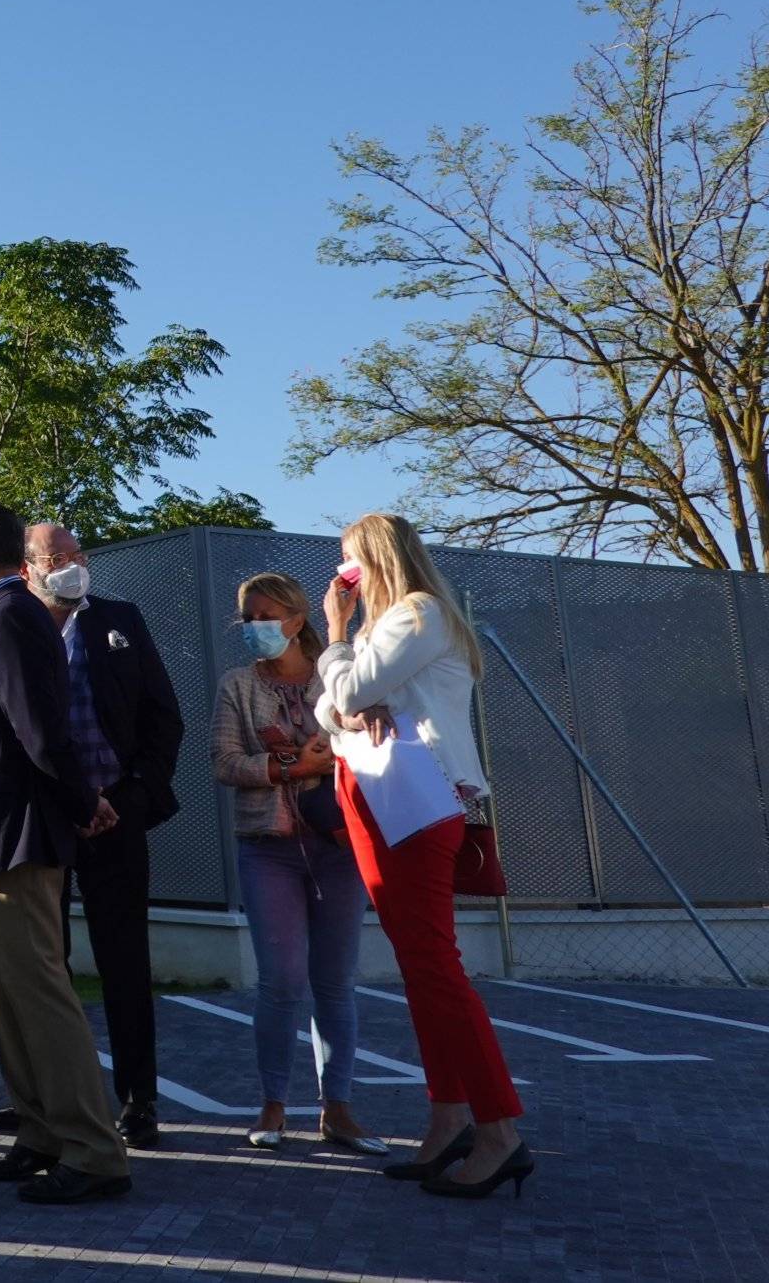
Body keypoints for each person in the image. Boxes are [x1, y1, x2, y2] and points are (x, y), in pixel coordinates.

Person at [0, 502, 132, 1206]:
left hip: (16, 835)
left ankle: (94, 1149)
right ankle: (41, 1132)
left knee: (38, 994)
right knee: (10, 996)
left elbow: (38, 730)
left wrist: (80, 799)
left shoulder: (8, 616)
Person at [317, 514, 532, 1199]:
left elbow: (346, 689)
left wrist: (333, 633)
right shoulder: (393, 624)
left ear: (375, 560)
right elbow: (333, 707)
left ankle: (498, 1129)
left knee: (436, 968)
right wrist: (344, 705)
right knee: (421, 969)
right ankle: (449, 1115)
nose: (343, 583)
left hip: (414, 796)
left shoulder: (418, 613)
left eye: (349, 567)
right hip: (380, 794)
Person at [18, 522, 184, 1151]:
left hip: (117, 814)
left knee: (123, 960)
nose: (69, 565)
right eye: (55, 557)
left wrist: (127, 797)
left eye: (75, 554)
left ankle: (139, 1102)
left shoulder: (120, 620)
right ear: (27, 568)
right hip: (45, 819)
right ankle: (47, 1101)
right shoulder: (15, 629)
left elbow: (162, 718)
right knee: (43, 963)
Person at [211, 571, 383, 1156]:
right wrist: (291, 769)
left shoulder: (336, 671)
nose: (257, 627)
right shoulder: (237, 684)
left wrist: (326, 757)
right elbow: (225, 761)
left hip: (338, 848)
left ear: (297, 616)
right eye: (248, 619)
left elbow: (369, 740)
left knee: (335, 984)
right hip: (269, 849)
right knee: (280, 981)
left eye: (267, 616)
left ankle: (338, 1108)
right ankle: (274, 1105)